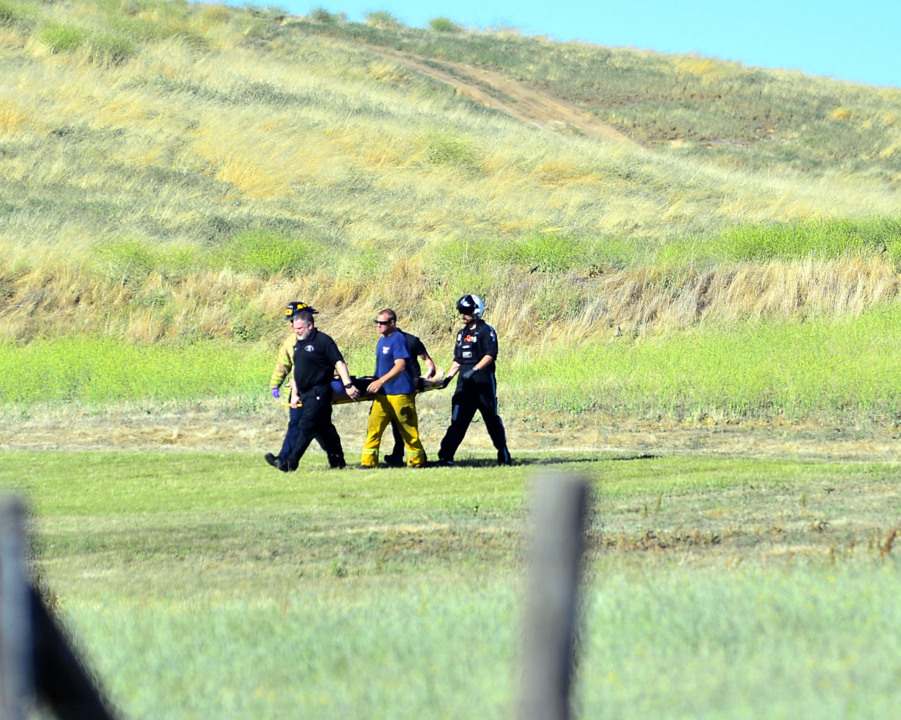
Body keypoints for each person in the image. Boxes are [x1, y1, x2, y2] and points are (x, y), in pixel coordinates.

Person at [266, 305, 359, 472]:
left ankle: (290, 462)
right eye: (294, 326)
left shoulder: (323, 341)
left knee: (306, 425)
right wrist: (292, 393)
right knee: (322, 429)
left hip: (319, 391)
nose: (295, 330)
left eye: (299, 327)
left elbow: (339, 362)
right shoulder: (297, 344)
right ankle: (337, 459)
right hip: (302, 393)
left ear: (310, 325)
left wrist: (348, 385)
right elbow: (296, 370)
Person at [437, 294, 512, 466]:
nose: (463, 315)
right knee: (457, 421)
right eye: (461, 311)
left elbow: (491, 354)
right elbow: (458, 359)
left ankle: (503, 452)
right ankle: (445, 456)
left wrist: (475, 369)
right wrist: (448, 378)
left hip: (483, 382)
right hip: (464, 384)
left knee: (491, 419)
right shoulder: (461, 334)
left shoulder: (486, 330)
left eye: (466, 311)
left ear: (476, 311)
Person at [360, 308, 427, 468]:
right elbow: (382, 367)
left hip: (400, 393)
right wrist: (373, 380)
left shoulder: (398, 339)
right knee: (374, 428)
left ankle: (417, 462)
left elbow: (401, 365)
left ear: (392, 323)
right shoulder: (381, 340)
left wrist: (380, 381)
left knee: (407, 429)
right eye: (377, 322)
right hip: (382, 394)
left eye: (382, 323)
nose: (379, 326)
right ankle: (368, 463)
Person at [382, 324, 438, 467]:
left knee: (405, 421)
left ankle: (419, 455)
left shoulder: (411, 340)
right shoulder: (387, 341)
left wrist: (424, 378)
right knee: (397, 421)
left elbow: (428, 361)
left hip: (407, 386)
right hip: (393, 386)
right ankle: (398, 453)